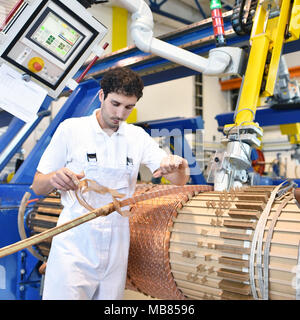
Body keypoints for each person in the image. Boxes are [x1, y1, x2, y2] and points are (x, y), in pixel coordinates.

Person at [31, 67, 190, 300]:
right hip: (75, 242)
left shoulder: (136, 137)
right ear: (101, 96)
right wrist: (53, 178)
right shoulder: (72, 130)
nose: (120, 113)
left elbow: (179, 181)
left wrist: (178, 165)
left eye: (128, 107)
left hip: (117, 244)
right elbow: (37, 185)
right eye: (115, 104)